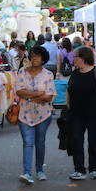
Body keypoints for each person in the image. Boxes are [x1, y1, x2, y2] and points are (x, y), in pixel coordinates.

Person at [64, 45, 96, 181]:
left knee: (94, 141)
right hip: (76, 113)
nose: (73, 59)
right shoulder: (75, 73)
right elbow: (69, 90)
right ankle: (79, 169)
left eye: (75, 57)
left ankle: (94, 168)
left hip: (95, 114)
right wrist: (68, 106)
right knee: (76, 140)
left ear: (83, 58)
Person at [13, 45, 56, 183]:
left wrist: (29, 96)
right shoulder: (22, 72)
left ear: (43, 59)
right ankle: (27, 173)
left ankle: (39, 170)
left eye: (37, 55)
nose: (34, 58)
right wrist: (37, 94)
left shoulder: (48, 74)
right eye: (32, 55)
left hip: (43, 114)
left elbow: (49, 96)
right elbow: (19, 91)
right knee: (28, 142)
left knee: (40, 142)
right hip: (24, 114)